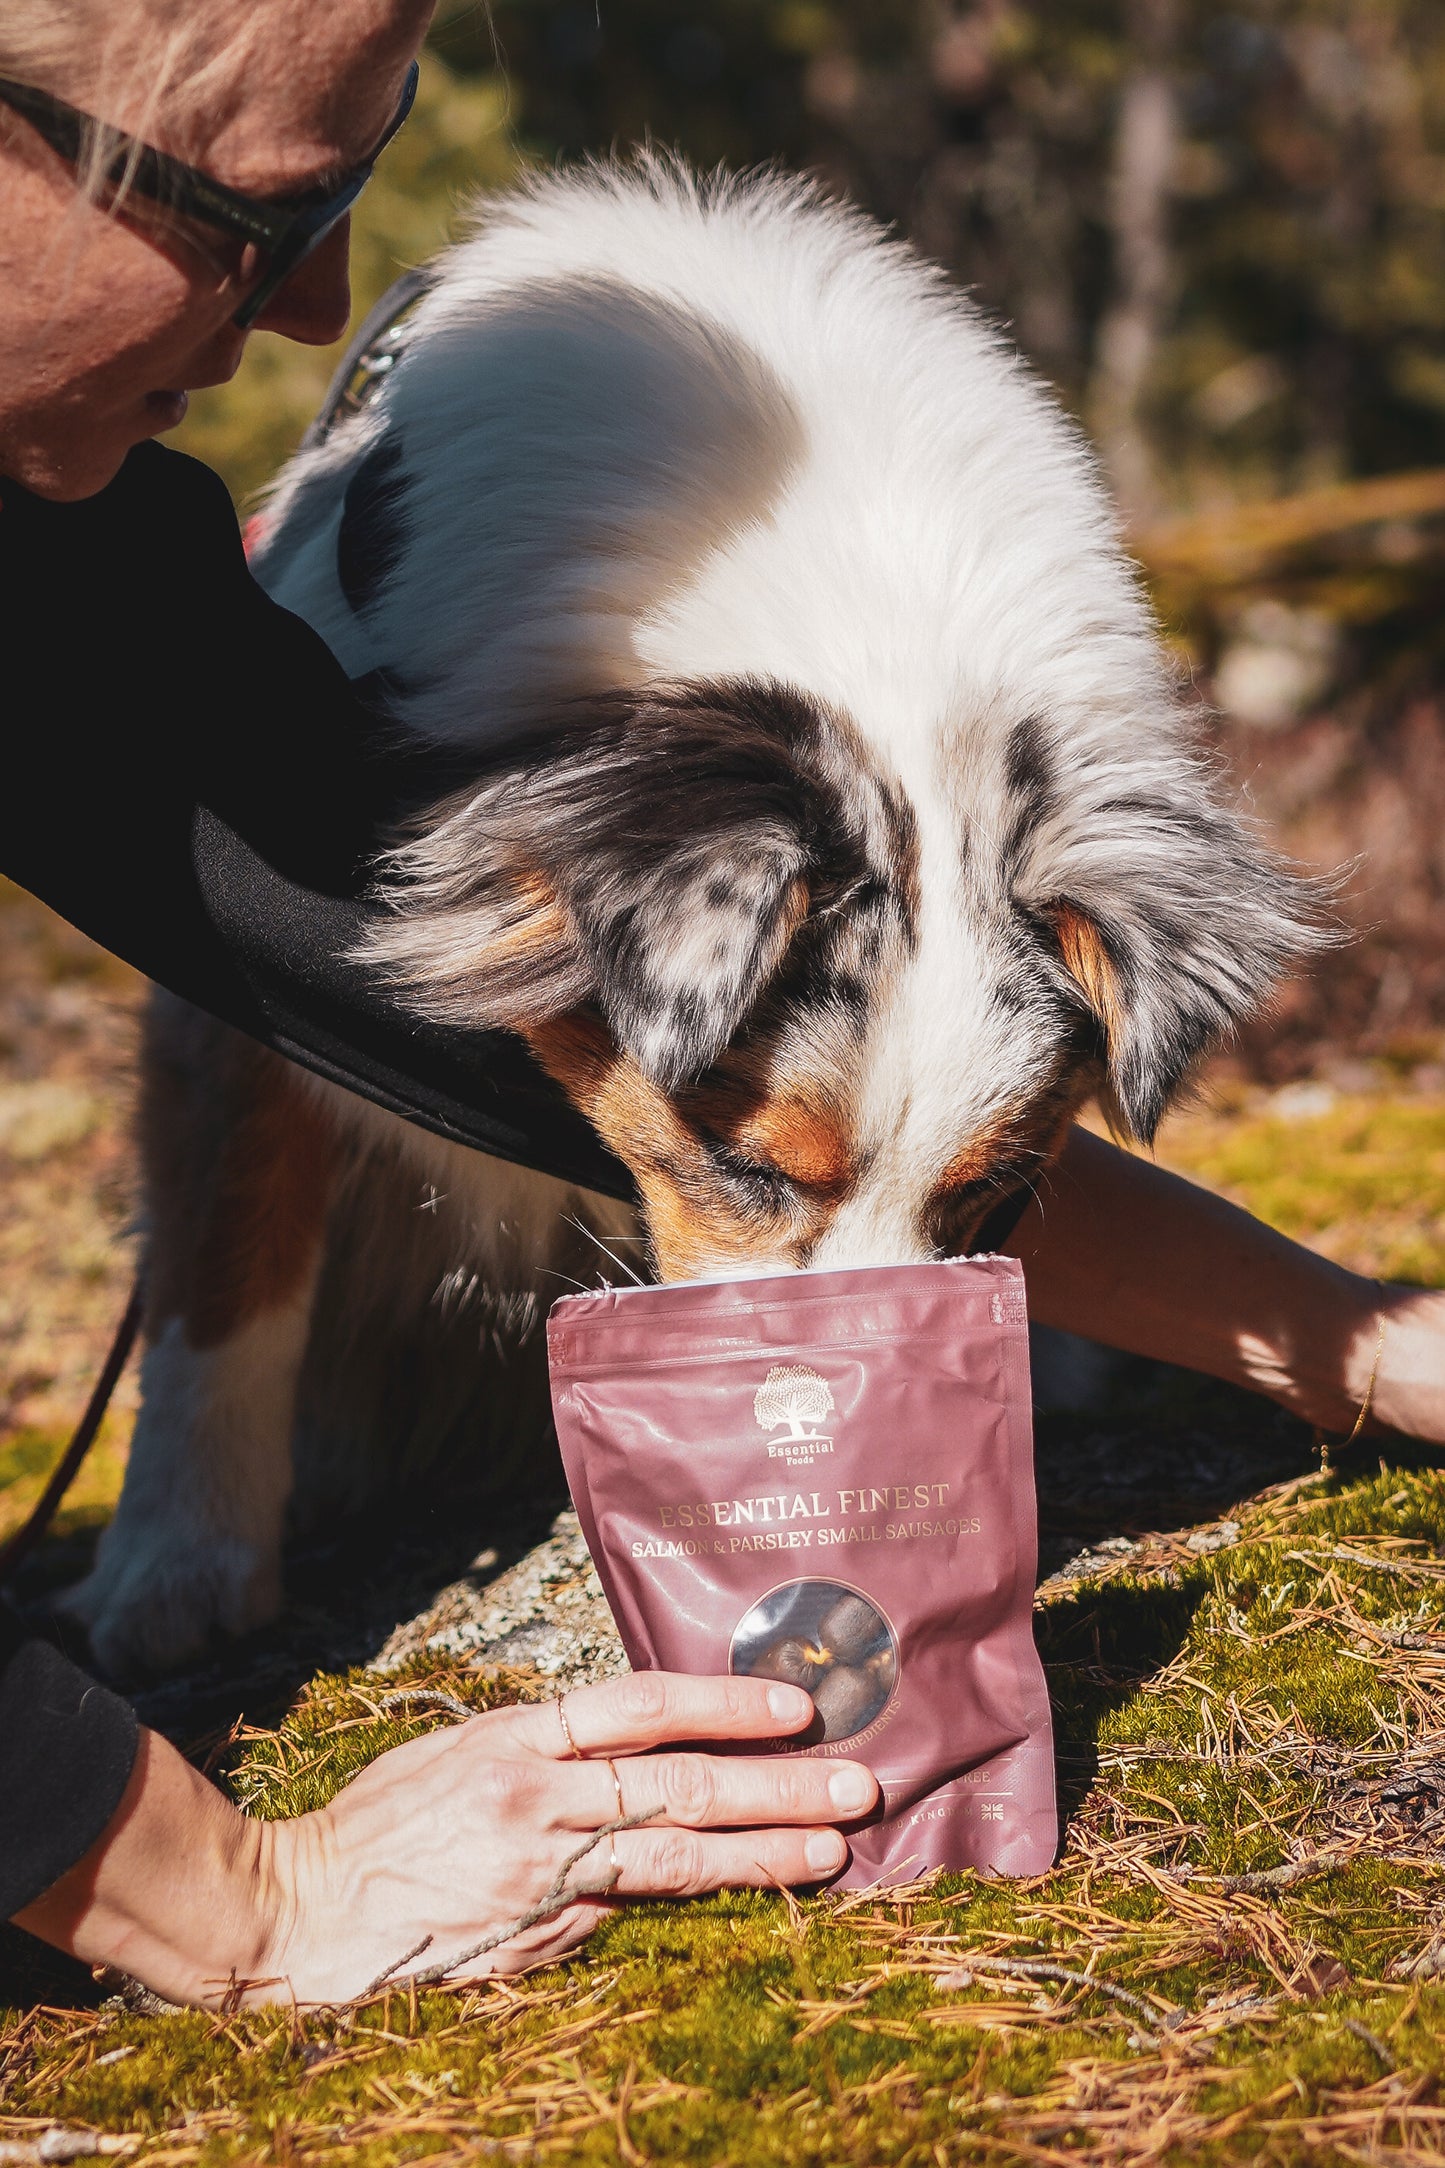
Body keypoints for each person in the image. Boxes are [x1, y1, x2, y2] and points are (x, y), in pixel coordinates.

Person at [1, 0, 1439, 2011]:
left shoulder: (60, 587)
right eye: (261, 209)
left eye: (361, 176)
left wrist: (1360, 1350)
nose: (331, 303)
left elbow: (345, 964)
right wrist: (229, 1897)